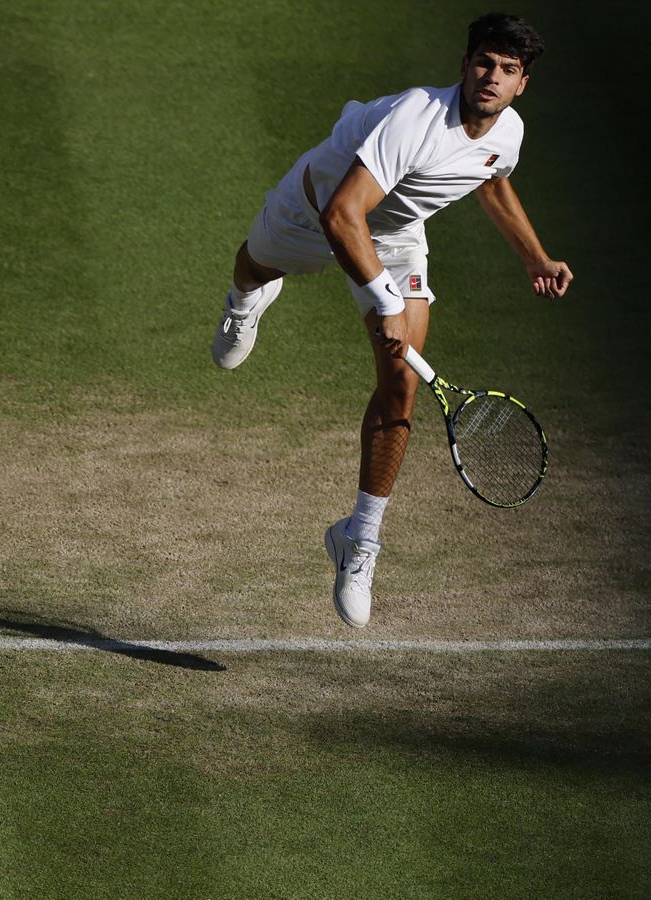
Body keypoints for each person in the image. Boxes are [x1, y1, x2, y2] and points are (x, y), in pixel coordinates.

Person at [211, 12, 573, 627]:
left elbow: (491, 180)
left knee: (401, 383)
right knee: (253, 267)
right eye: (484, 62)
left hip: (396, 235)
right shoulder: (416, 119)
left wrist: (535, 256)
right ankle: (244, 304)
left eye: (508, 69)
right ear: (464, 66)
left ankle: (359, 536)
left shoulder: (508, 131)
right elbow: (342, 217)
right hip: (316, 211)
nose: (492, 77)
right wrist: (386, 303)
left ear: (522, 84)